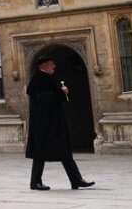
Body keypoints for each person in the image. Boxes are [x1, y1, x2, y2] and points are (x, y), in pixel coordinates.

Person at [26, 55, 95, 190]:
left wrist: (61, 93)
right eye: (52, 64)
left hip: (54, 123)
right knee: (40, 154)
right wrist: (61, 92)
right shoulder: (39, 79)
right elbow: (44, 99)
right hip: (44, 124)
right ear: (45, 65)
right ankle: (35, 182)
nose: (54, 66)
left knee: (65, 152)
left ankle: (76, 180)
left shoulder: (46, 78)